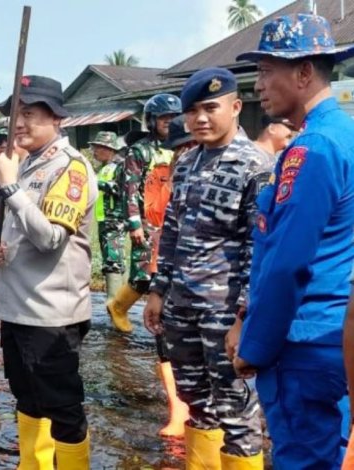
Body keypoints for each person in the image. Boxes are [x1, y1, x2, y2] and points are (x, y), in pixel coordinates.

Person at [232, 14, 354, 469]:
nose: (258, 84)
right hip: (334, 338)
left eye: (267, 71)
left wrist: (254, 346)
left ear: (304, 72)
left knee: (302, 459)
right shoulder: (345, 137)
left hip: (301, 344)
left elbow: (287, 264)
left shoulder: (314, 149)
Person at [143, 68, 268, 468]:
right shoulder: (186, 163)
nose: (199, 119)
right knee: (195, 402)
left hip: (224, 311)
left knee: (237, 412)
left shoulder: (255, 167)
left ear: (235, 107)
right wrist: (159, 291)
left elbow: (259, 247)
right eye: (192, 110)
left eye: (210, 108)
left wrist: (244, 316)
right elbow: (173, 231)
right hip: (182, 306)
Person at [0, 75, 97, 468]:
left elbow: (49, 239)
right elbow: (0, 225)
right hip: (15, 307)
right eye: (15, 115)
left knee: (62, 407)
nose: (20, 124)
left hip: (51, 313)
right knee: (26, 399)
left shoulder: (71, 168)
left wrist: (11, 189)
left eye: (30, 114)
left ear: (57, 118)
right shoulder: (21, 166)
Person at [106, 93, 181, 333]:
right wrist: (135, 224)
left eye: (174, 117)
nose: (169, 121)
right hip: (147, 221)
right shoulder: (139, 151)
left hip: (173, 219)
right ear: (152, 120)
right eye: (164, 117)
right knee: (143, 274)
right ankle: (118, 307)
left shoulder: (185, 146)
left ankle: (168, 323)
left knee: (170, 273)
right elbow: (129, 190)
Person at [148, 115, 196, 438]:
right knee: (165, 339)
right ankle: (178, 408)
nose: (187, 152)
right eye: (181, 148)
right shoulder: (162, 175)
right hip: (166, 263)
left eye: (191, 145)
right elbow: (153, 212)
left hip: (208, 277)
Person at [90, 131, 127, 300]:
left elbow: (121, 189)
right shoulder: (103, 168)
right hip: (104, 221)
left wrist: (94, 182)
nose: (94, 152)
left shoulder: (122, 166)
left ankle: (116, 305)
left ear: (109, 149)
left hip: (116, 221)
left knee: (114, 261)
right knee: (109, 260)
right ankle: (113, 304)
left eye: (98, 148)